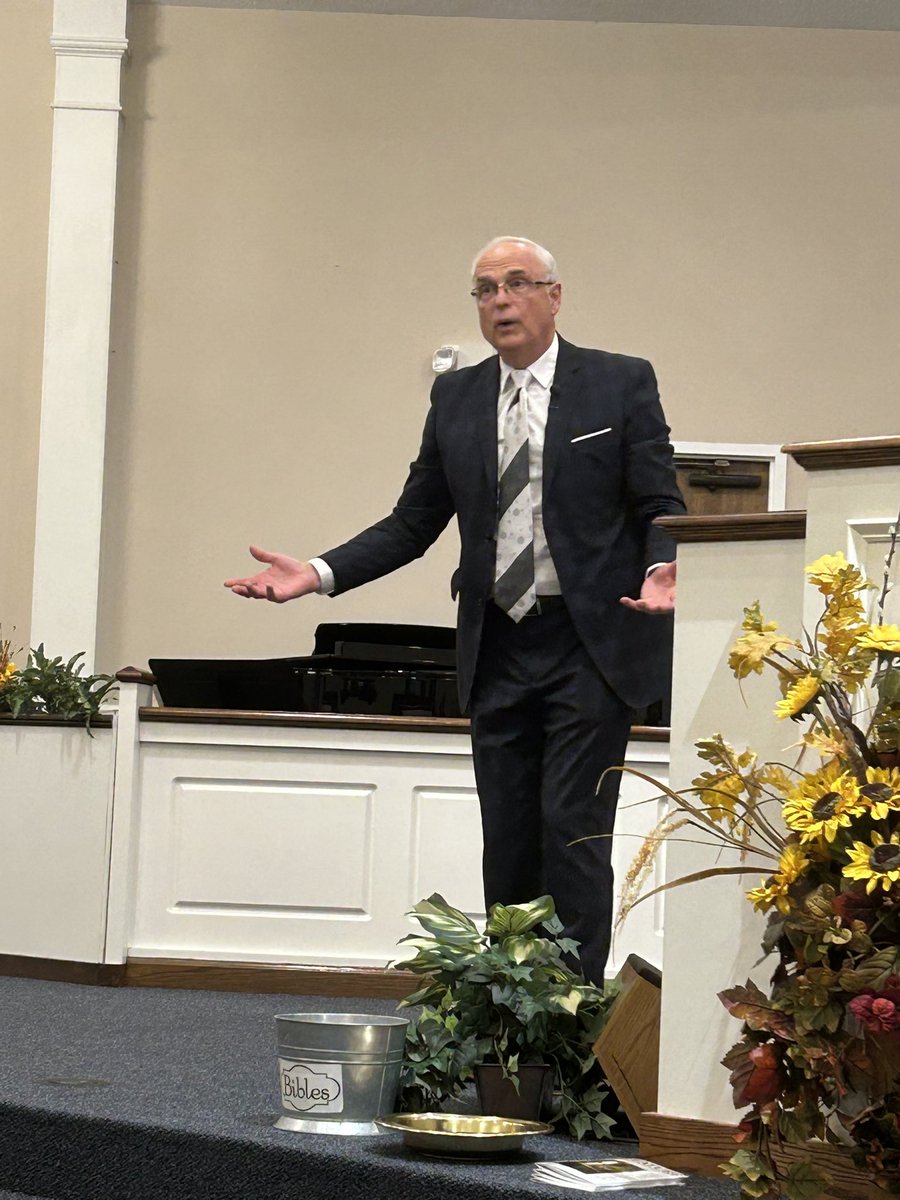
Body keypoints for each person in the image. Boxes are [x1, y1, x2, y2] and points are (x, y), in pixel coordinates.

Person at [225, 236, 685, 984]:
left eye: (516, 284)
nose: (500, 300)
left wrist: (663, 565)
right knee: (507, 838)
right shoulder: (457, 398)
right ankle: (512, 1004)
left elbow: (661, 500)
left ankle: (571, 1014)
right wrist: (316, 573)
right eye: (484, 289)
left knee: (571, 830)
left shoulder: (619, 382)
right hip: (496, 645)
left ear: (554, 296)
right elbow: (414, 523)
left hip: (588, 647)